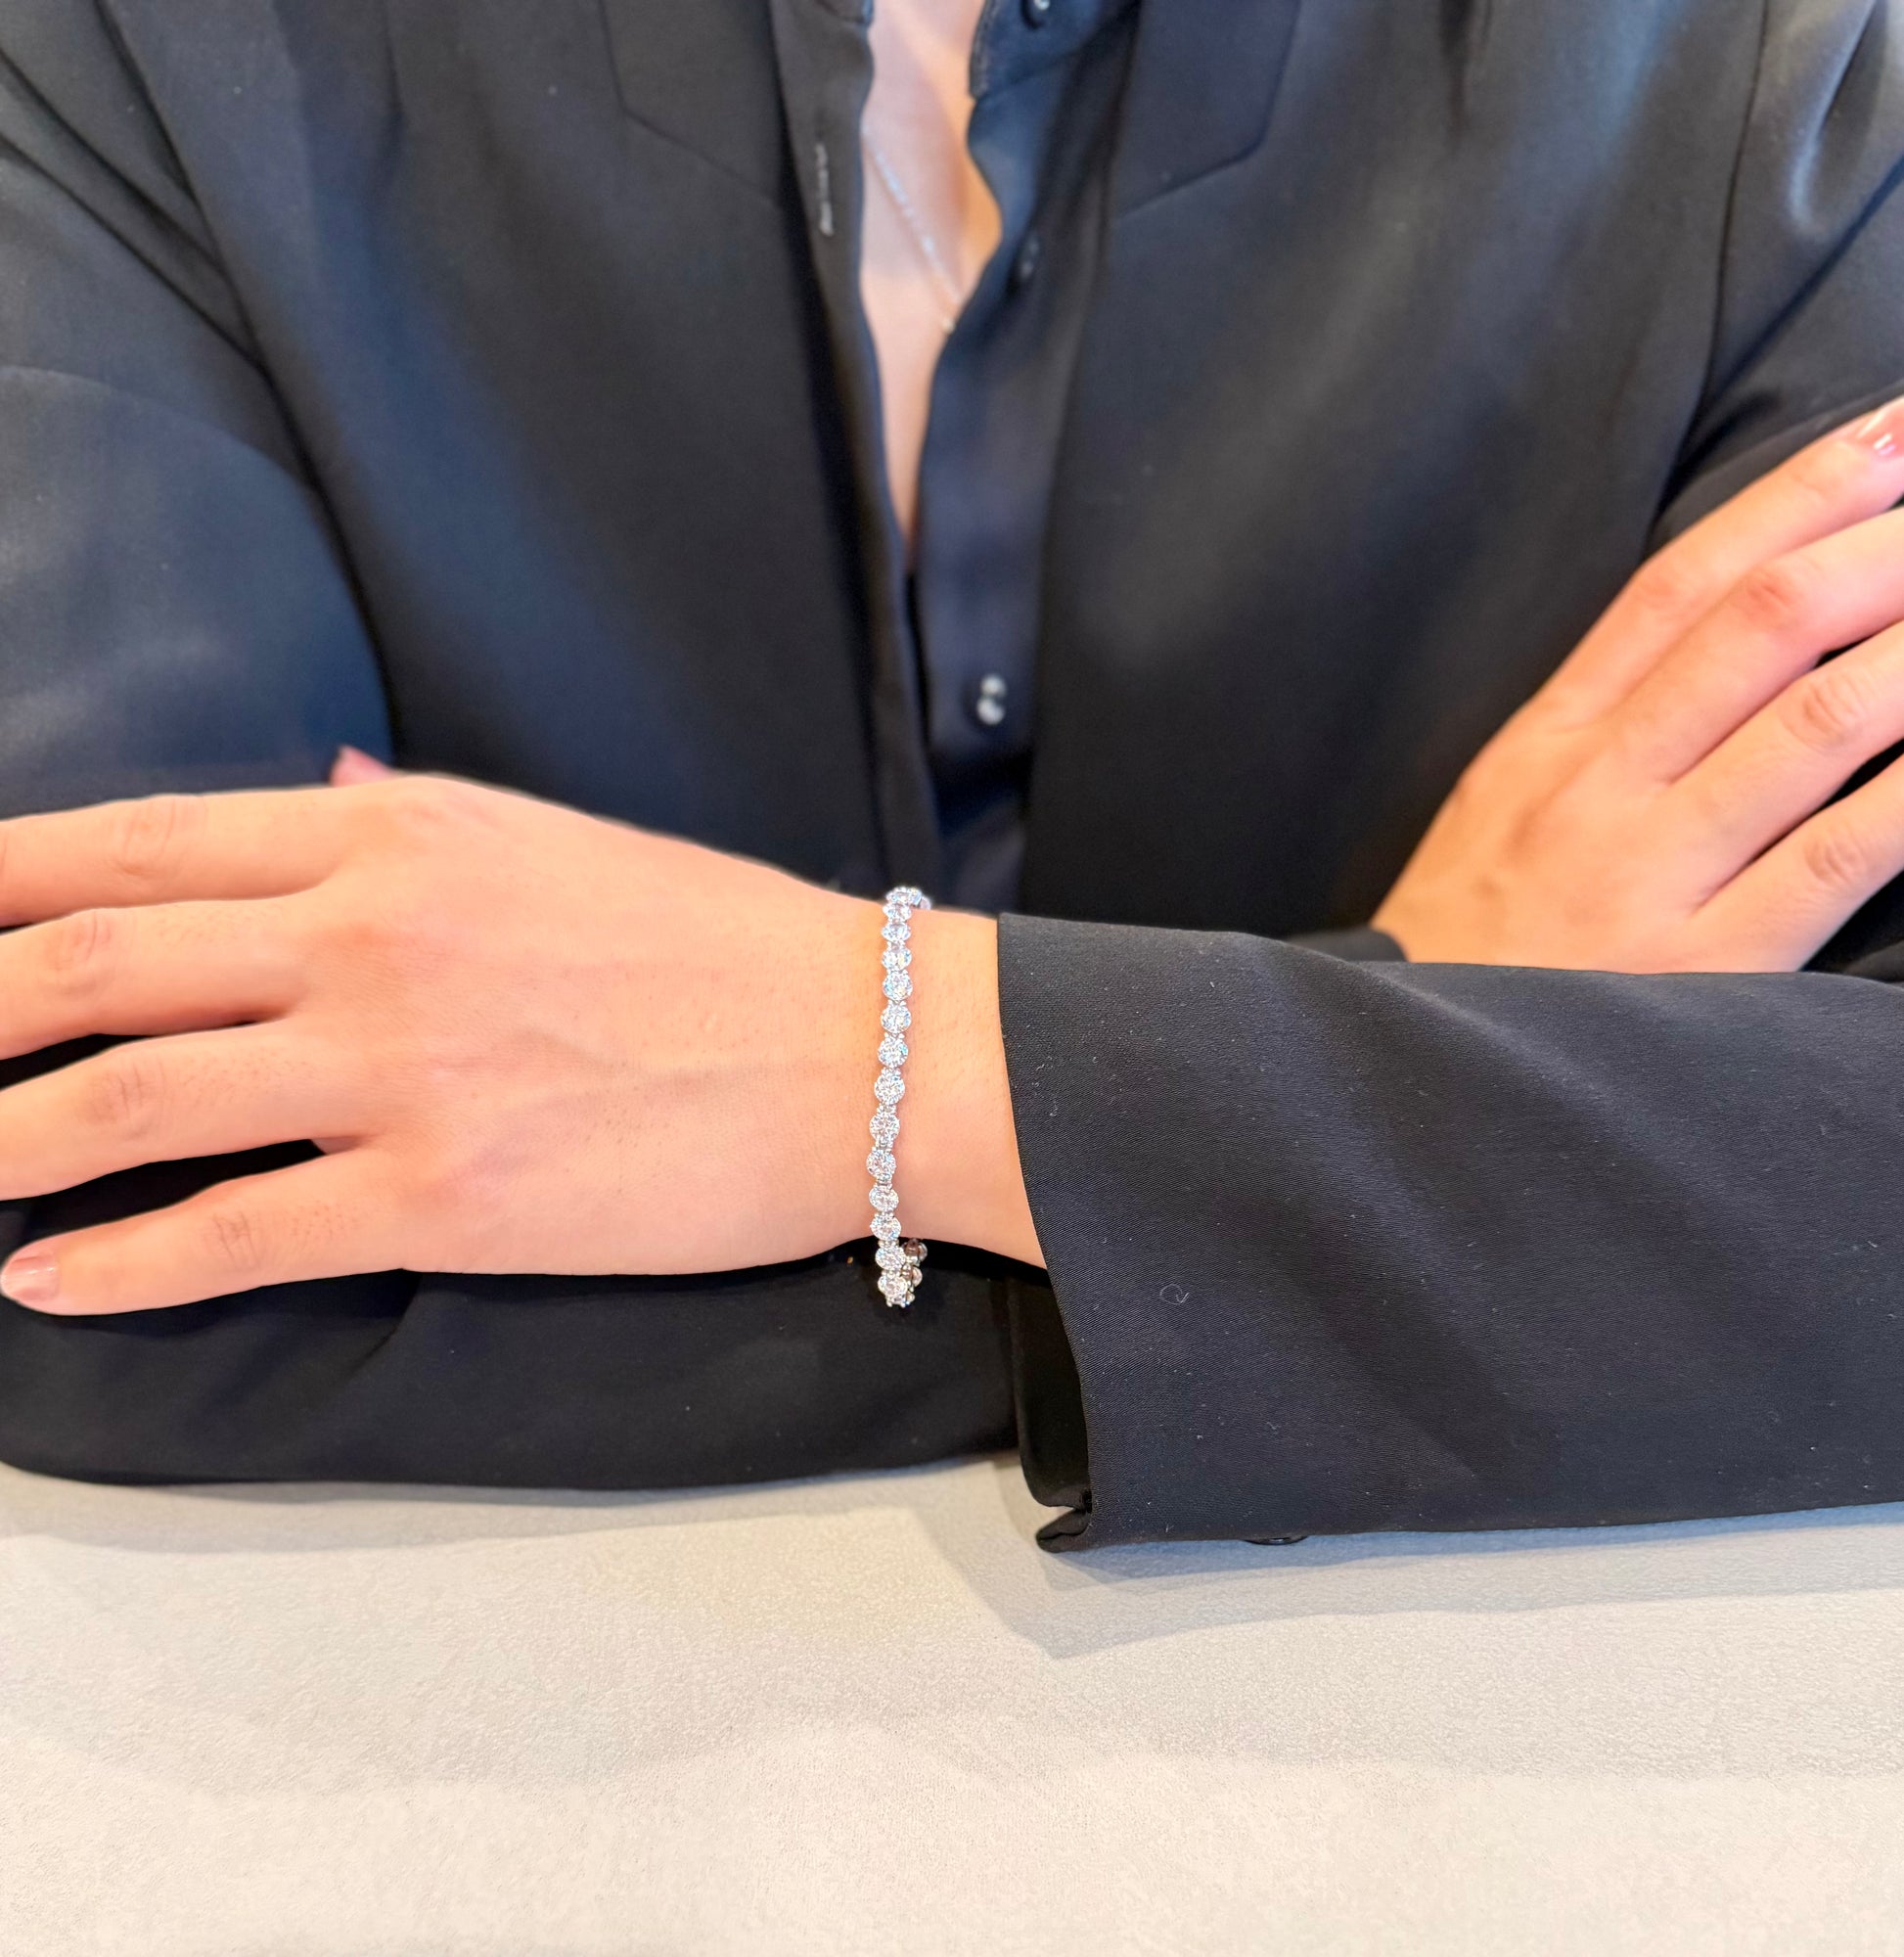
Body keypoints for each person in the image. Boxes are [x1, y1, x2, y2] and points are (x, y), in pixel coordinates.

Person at [3, 0, 1904, 1551]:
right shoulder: (134, 57)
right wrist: (1429, 1079)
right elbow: (91, 1243)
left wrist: (876, 1061)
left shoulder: (1778, 82)